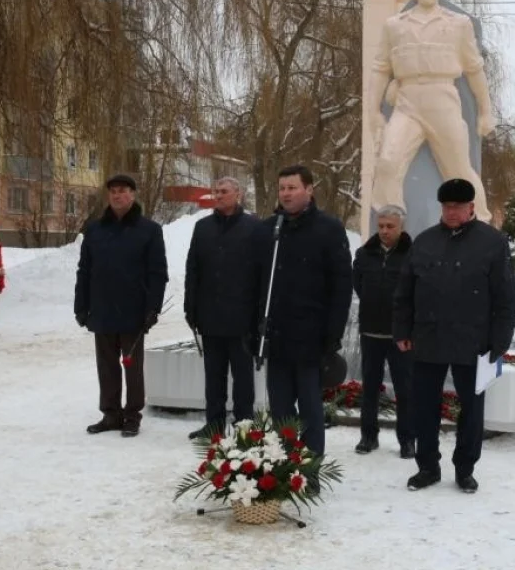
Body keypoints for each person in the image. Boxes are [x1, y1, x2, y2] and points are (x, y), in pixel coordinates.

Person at [393, 178, 515, 494]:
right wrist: (402, 330)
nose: (451, 212)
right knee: (424, 407)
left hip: (474, 341)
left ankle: (465, 469)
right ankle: (427, 466)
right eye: (447, 206)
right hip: (428, 338)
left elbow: (505, 297)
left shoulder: (492, 243)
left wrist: (500, 341)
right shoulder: (424, 241)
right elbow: (405, 292)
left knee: (472, 410)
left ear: (471, 207)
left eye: (458, 207)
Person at [366, 0, 495, 223]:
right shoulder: (395, 26)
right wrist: (373, 111)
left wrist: (485, 111)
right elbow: (380, 69)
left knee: (459, 169)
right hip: (407, 101)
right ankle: (391, 224)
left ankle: (479, 221)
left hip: (443, 98)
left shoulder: (458, 24)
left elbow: (474, 69)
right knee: (388, 162)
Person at [254, 165, 353, 456]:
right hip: (277, 337)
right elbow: (255, 283)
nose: (285, 194)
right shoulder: (269, 230)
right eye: (282, 188)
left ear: (309, 190)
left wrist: (333, 335)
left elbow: (341, 287)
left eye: (292, 188)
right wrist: (254, 329)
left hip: (312, 339)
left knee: (310, 409)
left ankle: (310, 467)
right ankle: (284, 463)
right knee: (281, 409)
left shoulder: (329, 229)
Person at [75, 174, 168, 438]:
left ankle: (132, 415)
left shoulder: (149, 230)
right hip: (102, 308)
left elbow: (157, 272)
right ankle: (111, 414)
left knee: (132, 366)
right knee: (106, 365)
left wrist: (153, 308)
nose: (117, 195)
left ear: (133, 194)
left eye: (123, 191)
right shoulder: (95, 230)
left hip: (134, 309)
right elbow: (84, 270)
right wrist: (81, 305)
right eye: (113, 191)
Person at [183, 177, 260, 438]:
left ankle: (244, 425)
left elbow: (259, 273)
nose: (218, 195)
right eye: (216, 191)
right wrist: (190, 306)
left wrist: (258, 313)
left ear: (238, 194)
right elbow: (193, 268)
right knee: (213, 376)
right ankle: (214, 424)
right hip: (210, 315)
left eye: (224, 191)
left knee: (243, 377)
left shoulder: (253, 227)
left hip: (242, 317)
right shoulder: (202, 227)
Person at [352, 204, 415, 458]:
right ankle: (368, 436)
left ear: (401, 227)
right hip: (371, 332)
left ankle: (407, 439)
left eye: (390, 226)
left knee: (405, 390)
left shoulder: (412, 255)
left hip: (401, 336)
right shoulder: (364, 254)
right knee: (370, 388)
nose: (385, 231)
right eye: (381, 226)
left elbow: (416, 292)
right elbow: (358, 284)